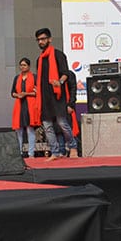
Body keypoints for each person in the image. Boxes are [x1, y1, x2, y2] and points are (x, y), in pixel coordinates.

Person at [34, 28, 78, 160]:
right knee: (47, 126)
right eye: (38, 40)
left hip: (58, 96)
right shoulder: (39, 59)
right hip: (45, 98)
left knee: (62, 124)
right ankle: (55, 152)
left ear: (49, 39)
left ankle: (73, 147)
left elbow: (65, 73)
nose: (40, 42)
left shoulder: (59, 55)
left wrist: (59, 82)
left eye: (43, 39)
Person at [11, 57, 40, 158]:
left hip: (30, 106)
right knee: (18, 130)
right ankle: (19, 153)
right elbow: (12, 92)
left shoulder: (34, 77)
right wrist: (18, 95)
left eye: (24, 65)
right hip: (19, 105)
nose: (22, 67)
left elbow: (38, 92)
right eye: (21, 65)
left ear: (29, 66)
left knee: (30, 129)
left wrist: (26, 94)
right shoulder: (17, 78)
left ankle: (31, 153)